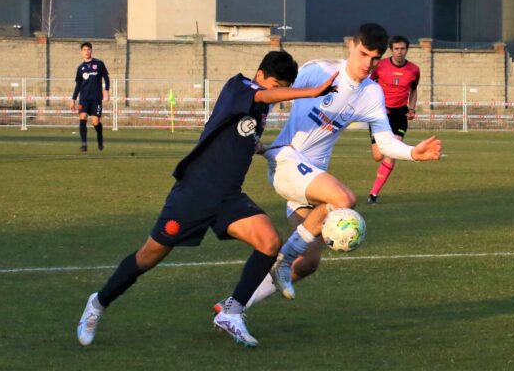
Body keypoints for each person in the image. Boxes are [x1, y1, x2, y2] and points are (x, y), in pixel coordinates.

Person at [76, 51, 338, 348]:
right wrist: (313, 91)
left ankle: (233, 312)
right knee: (148, 256)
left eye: (283, 87)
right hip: (195, 193)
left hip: (228, 197)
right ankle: (98, 303)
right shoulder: (240, 87)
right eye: (276, 84)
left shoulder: (258, 106)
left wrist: (260, 148)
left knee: (269, 242)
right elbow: (262, 96)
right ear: (261, 74)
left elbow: (238, 135)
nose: (278, 93)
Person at [213, 23, 441, 308]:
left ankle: (234, 306)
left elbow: (384, 143)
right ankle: (282, 261)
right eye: (363, 54)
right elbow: (273, 96)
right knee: (343, 199)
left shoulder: (372, 94)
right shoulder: (317, 71)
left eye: (374, 58)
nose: (367, 63)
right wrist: (249, 134)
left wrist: (412, 153)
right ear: (351, 46)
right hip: (287, 161)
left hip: (311, 178)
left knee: (308, 262)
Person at [367, 35, 421, 204]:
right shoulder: (380, 66)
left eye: (402, 49)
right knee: (378, 156)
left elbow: (413, 90)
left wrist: (411, 108)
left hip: (400, 115)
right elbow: (368, 85)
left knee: (392, 151)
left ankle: (374, 194)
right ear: (391, 49)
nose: (399, 52)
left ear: (407, 50)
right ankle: (375, 189)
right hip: (380, 114)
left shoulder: (414, 70)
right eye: (396, 49)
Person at [70, 42, 110, 152]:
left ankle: (100, 139)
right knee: (82, 118)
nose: (86, 52)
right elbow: (78, 85)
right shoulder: (80, 68)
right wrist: (73, 99)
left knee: (95, 121)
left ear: (91, 51)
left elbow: (106, 77)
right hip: (84, 98)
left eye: (88, 49)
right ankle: (84, 144)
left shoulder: (99, 64)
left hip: (96, 98)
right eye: (84, 50)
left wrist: (106, 90)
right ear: (81, 52)